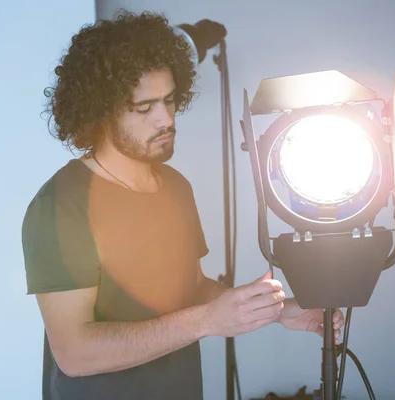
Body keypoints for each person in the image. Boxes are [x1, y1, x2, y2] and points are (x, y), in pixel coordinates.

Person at [21, 9, 344, 400]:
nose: (166, 119)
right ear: (102, 112)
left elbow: (189, 288)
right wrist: (206, 321)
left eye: (170, 101)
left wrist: (275, 311)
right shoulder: (60, 205)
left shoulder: (174, 187)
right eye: (145, 108)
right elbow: (74, 352)